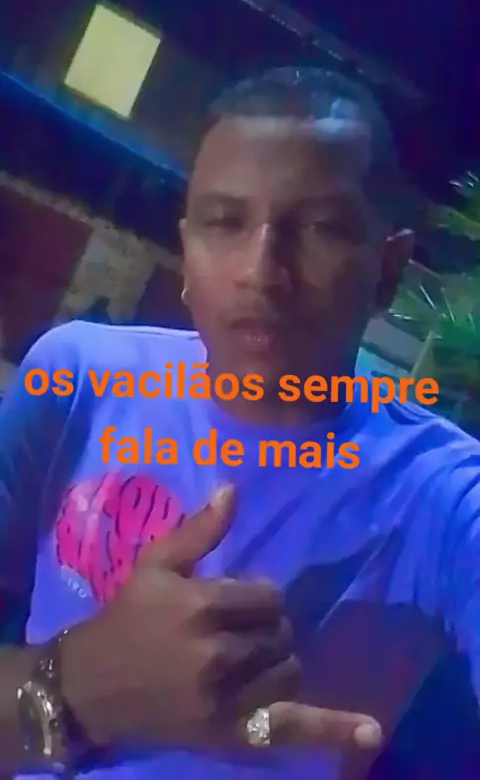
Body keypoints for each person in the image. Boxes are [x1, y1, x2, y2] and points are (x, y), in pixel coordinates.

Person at [0, 67, 479, 780]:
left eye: (319, 229)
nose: (261, 270)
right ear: (186, 249)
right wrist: (83, 686)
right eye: (225, 222)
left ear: (387, 270)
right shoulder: (77, 379)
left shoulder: (443, 495)